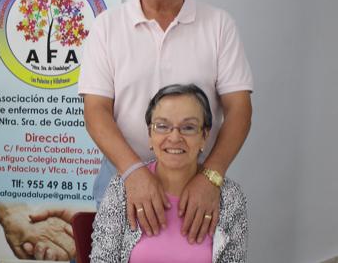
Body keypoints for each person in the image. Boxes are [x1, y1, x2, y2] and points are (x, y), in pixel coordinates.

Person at [78, 0, 253, 244]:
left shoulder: (218, 25)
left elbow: (240, 108)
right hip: (121, 178)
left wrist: (211, 177)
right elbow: (95, 111)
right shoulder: (106, 27)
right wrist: (134, 173)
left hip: (196, 182)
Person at [90, 84, 247, 262]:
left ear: (204, 136)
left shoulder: (230, 197)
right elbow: (101, 259)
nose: (174, 138)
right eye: (162, 126)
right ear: (150, 134)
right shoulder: (121, 189)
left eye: (188, 127)